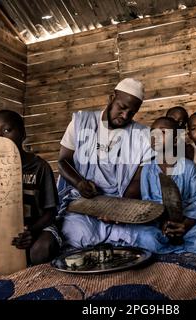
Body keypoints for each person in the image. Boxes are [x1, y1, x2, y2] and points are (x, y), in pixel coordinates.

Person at [58, 78, 152, 248]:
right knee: (79, 235)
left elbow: (138, 180)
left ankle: (112, 236)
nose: (125, 116)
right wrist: (79, 183)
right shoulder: (81, 122)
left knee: (148, 238)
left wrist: (119, 210)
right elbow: (63, 161)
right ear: (111, 97)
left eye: (132, 113)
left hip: (121, 202)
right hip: (85, 201)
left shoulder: (142, 135)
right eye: (122, 108)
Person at [137, 117, 196, 254]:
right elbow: (147, 203)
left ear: (176, 140)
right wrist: (162, 222)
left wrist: (185, 225)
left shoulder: (188, 167)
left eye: (163, 132)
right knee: (146, 239)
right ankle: (174, 245)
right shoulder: (147, 169)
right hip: (159, 223)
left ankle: (173, 247)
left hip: (187, 220)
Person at [0, 110, 62, 264]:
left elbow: (51, 212)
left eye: (7, 130)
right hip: (8, 232)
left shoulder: (39, 167)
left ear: (23, 134)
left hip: (39, 227)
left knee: (40, 251)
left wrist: (31, 231)